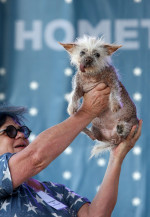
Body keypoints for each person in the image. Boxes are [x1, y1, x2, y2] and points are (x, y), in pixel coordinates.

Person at [0, 83, 142, 217]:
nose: (20, 135)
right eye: (10, 131)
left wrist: (116, 158)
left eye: (23, 130)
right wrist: (87, 111)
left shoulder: (56, 190)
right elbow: (35, 158)